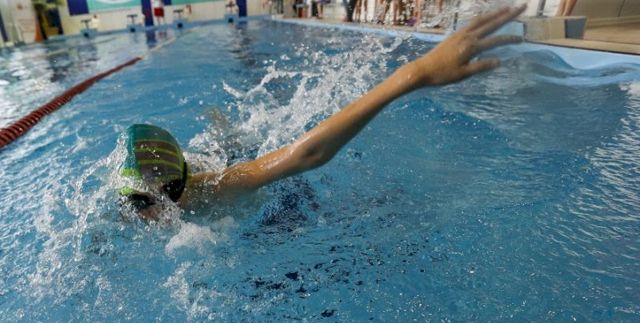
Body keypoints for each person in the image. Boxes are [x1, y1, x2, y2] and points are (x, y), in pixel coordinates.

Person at [118, 6, 526, 221]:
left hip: (251, 180)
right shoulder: (126, 211)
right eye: (140, 202)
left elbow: (305, 155)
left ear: (186, 180)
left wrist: (413, 74)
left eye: (170, 193)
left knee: (244, 153)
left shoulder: (219, 188)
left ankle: (227, 132)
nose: (157, 211)